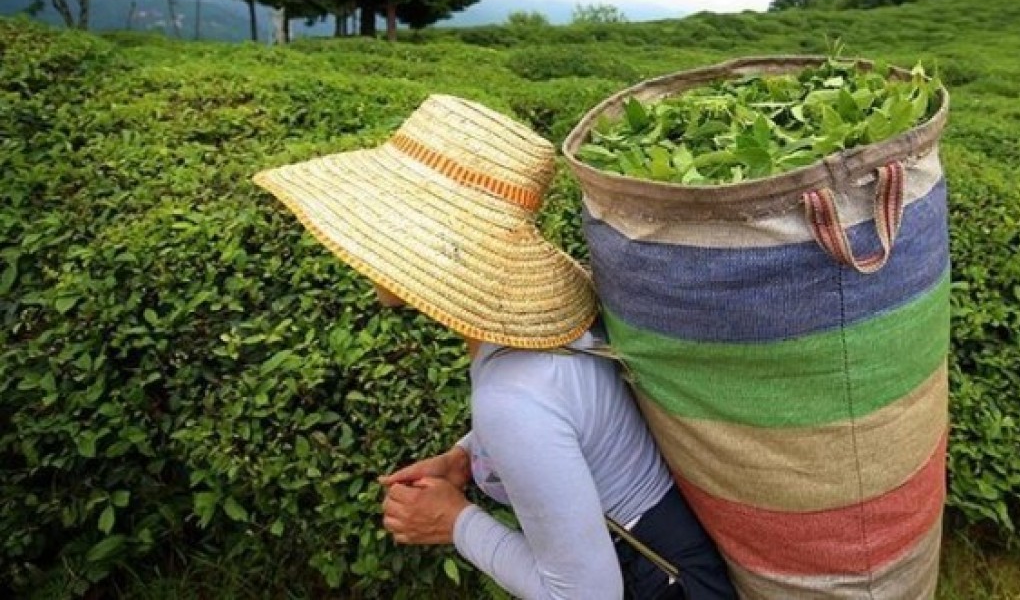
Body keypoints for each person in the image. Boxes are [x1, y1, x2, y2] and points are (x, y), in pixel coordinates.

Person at [253, 95, 737, 600]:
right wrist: (464, 459)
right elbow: (570, 420)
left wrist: (454, 522)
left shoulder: (512, 398)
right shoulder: (543, 341)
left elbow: (583, 595)